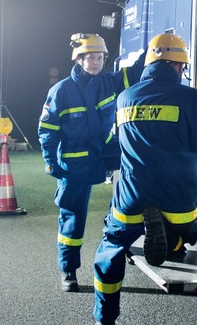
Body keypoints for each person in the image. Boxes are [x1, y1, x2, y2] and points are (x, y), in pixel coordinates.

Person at [92, 32, 197, 325]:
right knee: (190, 232)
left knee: (109, 249)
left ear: (150, 62)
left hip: (130, 199)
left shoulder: (125, 98)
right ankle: (176, 240)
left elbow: (115, 145)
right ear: (181, 66)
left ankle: (105, 318)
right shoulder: (193, 99)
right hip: (179, 203)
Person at [38, 33, 144, 292]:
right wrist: (51, 161)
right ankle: (69, 271)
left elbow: (137, 72)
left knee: (140, 163)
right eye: (91, 58)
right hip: (75, 160)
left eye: (99, 58)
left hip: (105, 150)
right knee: (73, 216)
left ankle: (125, 231)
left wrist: (153, 48)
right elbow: (47, 130)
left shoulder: (109, 81)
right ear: (79, 59)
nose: (96, 62)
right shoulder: (61, 91)